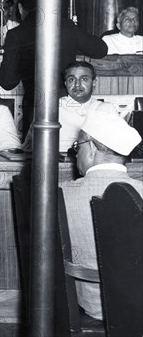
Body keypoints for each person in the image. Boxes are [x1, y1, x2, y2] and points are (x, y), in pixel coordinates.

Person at [61, 111, 142, 321]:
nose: (75, 154)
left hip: (90, 306)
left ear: (92, 149)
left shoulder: (60, 193)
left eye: (77, 147)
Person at [0, 0, 108, 136]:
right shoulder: (67, 25)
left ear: (21, 8)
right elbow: (101, 50)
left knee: (36, 155)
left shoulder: (16, 34)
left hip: (35, 108)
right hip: (69, 107)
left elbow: (7, 82)